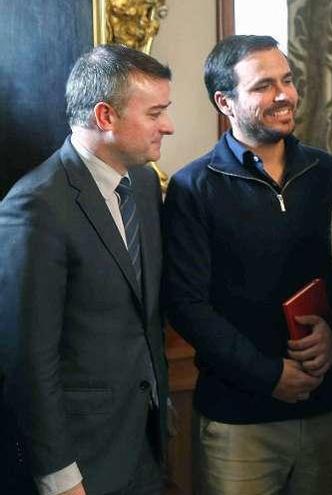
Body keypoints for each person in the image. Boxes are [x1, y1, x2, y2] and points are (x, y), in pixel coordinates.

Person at [162, 35, 332, 495]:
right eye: (264, 86)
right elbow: (186, 305)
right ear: (224, 102)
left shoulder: (328, 172)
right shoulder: (194, 186)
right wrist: (269, 377)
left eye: (287, 80)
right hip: (239, 419)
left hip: (328, 406)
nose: (284, 94)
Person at [0, 44, 173, 495]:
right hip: (80, 463)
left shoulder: (143, 182)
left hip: (145, 444)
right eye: (155, 113)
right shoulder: (35, 206)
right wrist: (60, 476)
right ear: (105, 117)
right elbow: (27, 360)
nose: (168, 126)